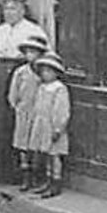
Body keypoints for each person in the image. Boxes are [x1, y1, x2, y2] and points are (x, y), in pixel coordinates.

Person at [0, 0, 48, 184]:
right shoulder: (0, 30)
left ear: (22, 10)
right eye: (6, 9)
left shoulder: (32, 30)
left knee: (15, 120)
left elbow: (43, 53)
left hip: (21, 73)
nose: (9, 13)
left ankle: (18, 171)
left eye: (13, 9)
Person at [26, 53, 73, 198]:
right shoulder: (42, 87)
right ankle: (47, 181)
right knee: (45, 153)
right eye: (43, 71)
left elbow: (62, 110)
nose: (45, 74)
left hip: (52, 126)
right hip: (41, 125)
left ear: (56, 73)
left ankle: (56, 182)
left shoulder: (59, 89)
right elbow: (36, 105)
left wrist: (58, 128)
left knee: (55, 155)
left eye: (49, 71)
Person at [8, 37, 49, 192]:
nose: (31, 55)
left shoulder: (44, 73)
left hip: (39, 114)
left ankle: (37, 176)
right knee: (23, 146)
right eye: (28, 52)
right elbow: (14, 92)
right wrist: (16, 105)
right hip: (24, 113)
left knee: (37, 145)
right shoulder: (21, 72)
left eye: (34, 52)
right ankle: (25, 177)